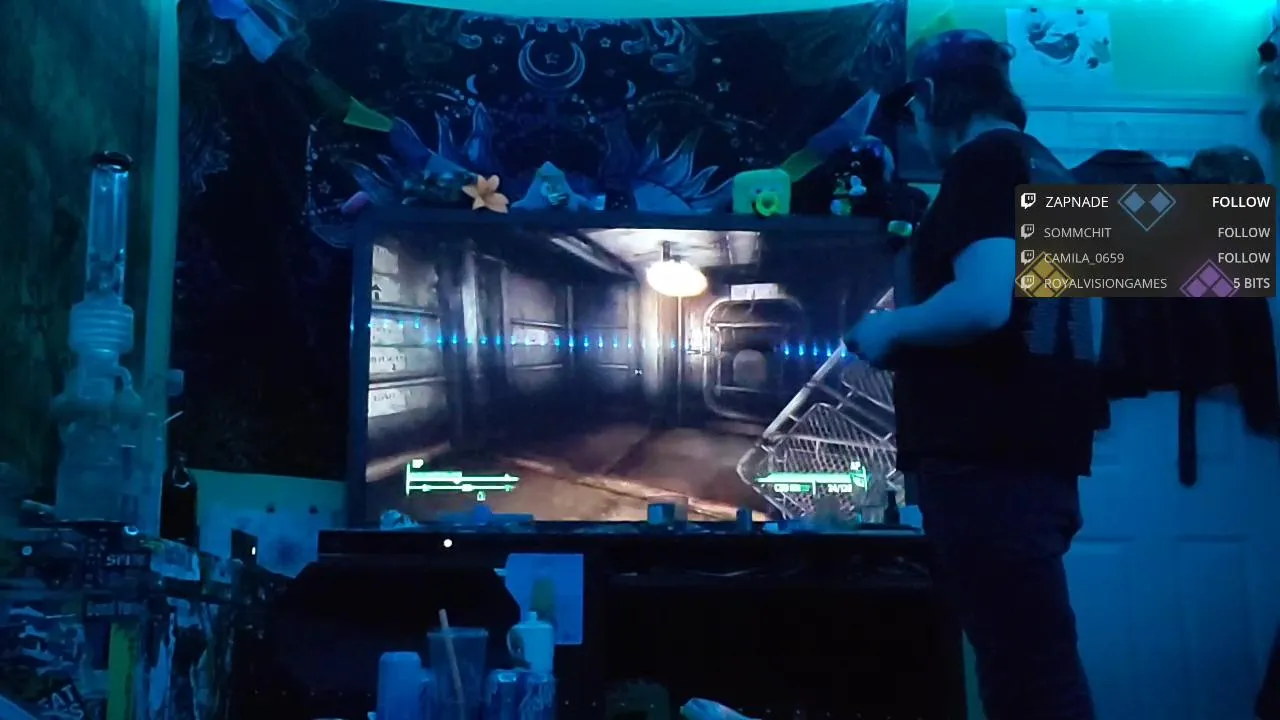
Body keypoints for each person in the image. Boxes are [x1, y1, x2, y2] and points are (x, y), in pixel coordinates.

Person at [844, 30, 1100, 720]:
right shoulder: (1049, 168)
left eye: (913, 113)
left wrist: (890, 329)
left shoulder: (982, 163)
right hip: (1041, 462)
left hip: (987, 466)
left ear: (930, 95)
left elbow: (985, 303)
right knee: (1037, 663)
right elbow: (1041, 316)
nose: (916, 131)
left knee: (1027, 678)